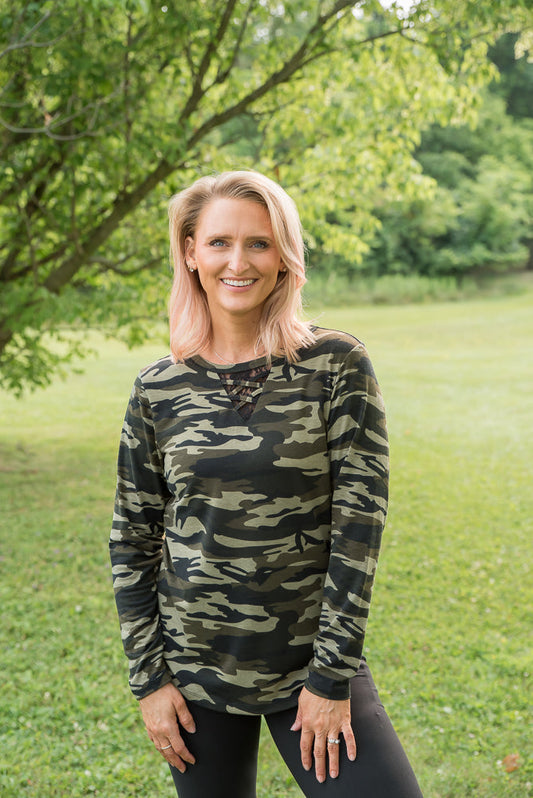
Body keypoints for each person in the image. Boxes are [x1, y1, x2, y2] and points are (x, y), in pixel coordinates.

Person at [109, 170, 423, 798]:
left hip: (310, 663)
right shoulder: (158, 388)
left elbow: (358, 532)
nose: (238, 261)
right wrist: (150, 681)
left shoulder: (335, 363)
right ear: (191, 253)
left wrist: (330, 681)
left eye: (259, 242)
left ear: (285, 256)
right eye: (220, 242)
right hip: (193, 671)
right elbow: (131, 539)